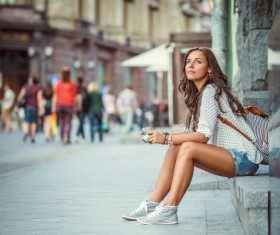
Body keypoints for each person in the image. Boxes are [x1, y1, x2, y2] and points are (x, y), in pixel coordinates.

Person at [121, 47, 263, 225]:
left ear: (209, 68)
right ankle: (152, 204)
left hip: (244, 158)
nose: (191, 65)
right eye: (188, 61)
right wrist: (163, 137)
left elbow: (203, 135)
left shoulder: (211, 90)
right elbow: (189, 134)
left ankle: (169, 209)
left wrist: (165, 138)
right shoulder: (199, 95)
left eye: (198, 61)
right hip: (228, 156)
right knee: (176, 146)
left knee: (186, 147)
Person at [52, 67, 77, 145]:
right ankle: (66, 135)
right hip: (69, 105)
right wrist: (75, 106)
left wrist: (53, 107)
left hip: (60, 105)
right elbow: (74, 97)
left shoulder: (59, 84)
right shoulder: (72, 84)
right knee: (68, 122)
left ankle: (63, 136)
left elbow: (55, 96)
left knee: (62, 122)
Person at [17, 75, 43, 143]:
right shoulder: (38, 87)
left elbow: (20, 96)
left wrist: (17, 105)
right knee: (33, 122)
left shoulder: (25, 86)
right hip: (34, 106)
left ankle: (25, 132)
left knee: (26, 120)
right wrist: (41, 108)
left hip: (27, 106)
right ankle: (33, 137)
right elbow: (39, 98)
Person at [74, 77, 89, 142]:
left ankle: (83, 136)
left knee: (81, 122)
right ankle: (77, 135)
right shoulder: (84, 89)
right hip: (83, 109)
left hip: (77, 108)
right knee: (81, 122)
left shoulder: (76, 89)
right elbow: (87, 99)